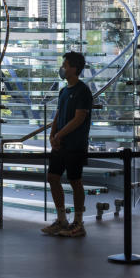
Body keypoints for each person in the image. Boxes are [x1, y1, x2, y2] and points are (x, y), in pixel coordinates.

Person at [41, 51, 93, 238]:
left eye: (65, 65)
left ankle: (78, 222)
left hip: (75, 145)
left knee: (75, 181)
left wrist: (59, 135)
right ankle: (61, 219)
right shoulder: (64, 91)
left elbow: (79, 118)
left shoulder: (83, 91)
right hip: (60, 145)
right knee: (53, 177)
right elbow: (58, 114)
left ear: (74, 68)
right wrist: (52, 135)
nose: (62, 68)